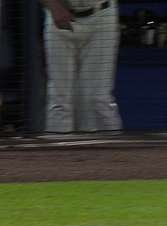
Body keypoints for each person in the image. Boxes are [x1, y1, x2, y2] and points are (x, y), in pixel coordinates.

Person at [40, 0, 122, 133]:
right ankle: (58, 150)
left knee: (98, 99)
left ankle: (109, 151)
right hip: (58, 16)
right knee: (59, 99)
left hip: (101, 15)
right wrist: (54, 7)